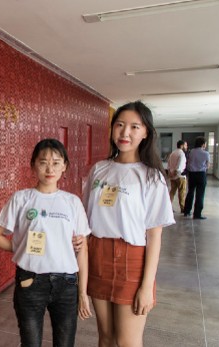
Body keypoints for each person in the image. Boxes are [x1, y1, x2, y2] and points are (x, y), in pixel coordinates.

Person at [83, 101, 175, 347]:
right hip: (98, 255)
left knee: (127, 342)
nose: (125, 133)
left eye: (135, 127)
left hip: (133, 259)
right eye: (120, 125)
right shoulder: (99, 170)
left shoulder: (152, 176)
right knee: (105, 338)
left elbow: (154, 236)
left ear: (146, 133)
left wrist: (147, 286)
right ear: (112, 129)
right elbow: (86, 218)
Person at [0, 138, 92, 347]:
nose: (49, 168)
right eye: (43, 162)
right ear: (33, 165)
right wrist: (20, 248)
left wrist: (83, 293)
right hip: (30, 283)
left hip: (67, 284)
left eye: (55, 162)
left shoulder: (72, 202)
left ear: (65, 167)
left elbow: (82, 250)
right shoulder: (22, 199)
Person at [183, 136, 211, 219]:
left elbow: (188, 162)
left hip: (192, 174)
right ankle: (197, 214)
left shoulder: (191, 152)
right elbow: (208, 165)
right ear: (203, 144)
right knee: (200, 194)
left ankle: (187, 211)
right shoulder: (206, 153)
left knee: (190, 192)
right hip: (201, 174)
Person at [167, 140, 188, 213]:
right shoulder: (181, 154)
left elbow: (169, 164)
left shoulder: (173, 153)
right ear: (182, 146)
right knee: (182, 192)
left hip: (172, 176)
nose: (186, 147)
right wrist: (177, 172)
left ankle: (168, 207)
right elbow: (180, 165)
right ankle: (182, 208)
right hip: (180, 176)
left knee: (172, 192)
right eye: (185, 145)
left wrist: (170, 172)